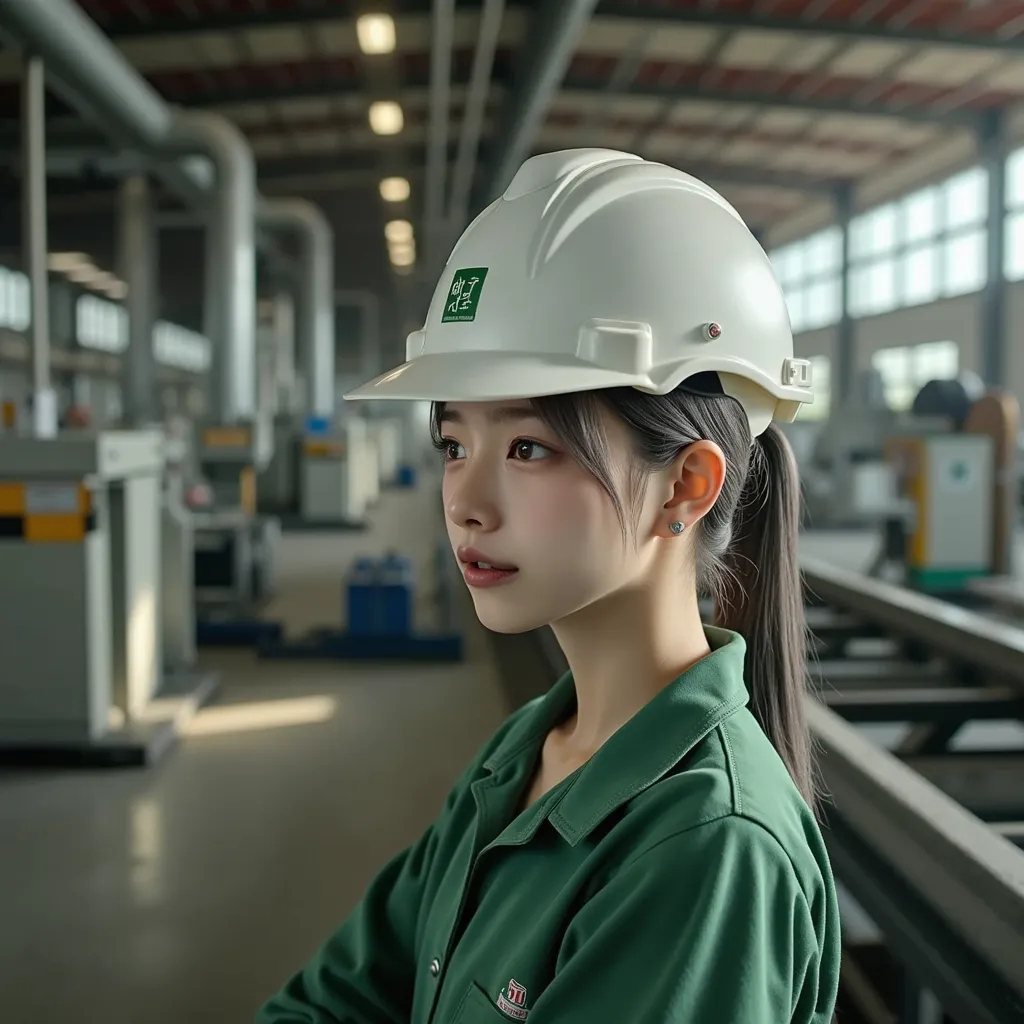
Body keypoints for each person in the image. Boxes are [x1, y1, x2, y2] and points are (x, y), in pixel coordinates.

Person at [256, 149, 840, 1024]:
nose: (465, 504)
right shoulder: (526, 753)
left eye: (529, 448)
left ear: (686, 485)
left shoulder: (707, 850)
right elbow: (336, 1002)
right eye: (455, 444)